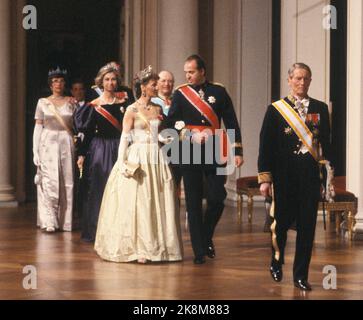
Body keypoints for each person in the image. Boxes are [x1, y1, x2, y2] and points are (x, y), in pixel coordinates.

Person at [94, 66, 183, 263]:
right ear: (143, 87)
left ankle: (157, 247)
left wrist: (168, 138)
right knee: (140, 202)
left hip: (156, 157)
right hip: (138, 156)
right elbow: (125, 137)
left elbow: (157, 134)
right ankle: (140, 249)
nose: (157, 86)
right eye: (154, 84)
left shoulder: (158, 109)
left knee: (156, 200)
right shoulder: (131, 109)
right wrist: (121, 163)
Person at [258, 63, 332, 291]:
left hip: (309, 176)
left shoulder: (319, 108)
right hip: (284, 176)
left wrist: (326, 180)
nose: (302, 83)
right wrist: (265, 179)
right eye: (298, 78)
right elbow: (266, 146)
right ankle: (276, 261)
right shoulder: (276, 109)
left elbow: (326, 146)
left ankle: (301, 275)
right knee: (279, 224)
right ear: (289, 80)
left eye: (306, 79)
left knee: (308, 228)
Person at [167, 54, 243, 264]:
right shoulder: (181, 94)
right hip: (188, 150)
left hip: (214, 148)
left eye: (191, 72)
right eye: (186, 72)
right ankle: (199, 251)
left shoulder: (219, 91)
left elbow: (231, 121)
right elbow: (171, 123)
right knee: (192, 202)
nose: (188, 76)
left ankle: (206, 234)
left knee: (217, 198)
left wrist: (237, 151)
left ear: (202, 71)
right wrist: (191, 135)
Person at [74, 62, 133, 243]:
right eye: (107, 80)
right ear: (101, 83)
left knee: (122, 189)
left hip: (120, 147)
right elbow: (89, 133)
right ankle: (96, 229)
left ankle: (120, 231)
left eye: (113, 79)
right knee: (99, 189)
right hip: (100, 150)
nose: (110, 83)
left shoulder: (126, 103)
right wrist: (82, 154)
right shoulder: (94, 106)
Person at [33, 67, 77, 232]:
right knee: (49, 180)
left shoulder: (71, 102)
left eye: (61, 80)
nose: (58, 84)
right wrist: (34, 151)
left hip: (65, 141)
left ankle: (65, 220)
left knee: (67, 180)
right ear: (50, 85)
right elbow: (38, 127)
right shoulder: (42, 102)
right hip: (48, 141)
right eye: (55, 81)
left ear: (65, 84)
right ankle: (49, 220)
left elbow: (78, 124)